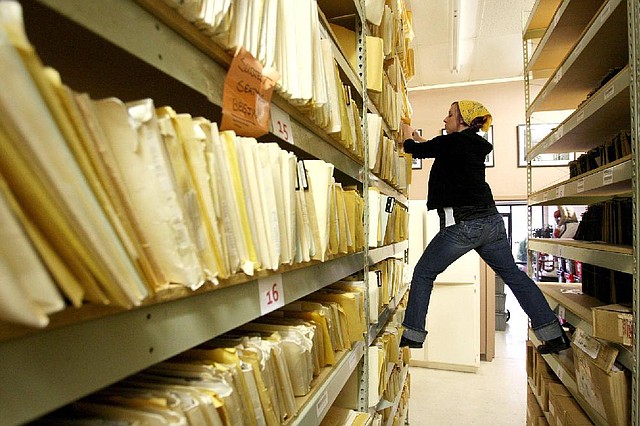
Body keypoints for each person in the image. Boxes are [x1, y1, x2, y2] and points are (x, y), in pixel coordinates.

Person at [399, 100, 570, 354]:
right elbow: (437, 147)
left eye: (450, 115)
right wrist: (419, 139)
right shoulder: (470, 145)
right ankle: (554, 335)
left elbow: (416, 150)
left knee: (423, 273)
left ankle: (412, 334)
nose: (445, 120)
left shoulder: (454, 142)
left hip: (464, 225)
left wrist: (406, 136)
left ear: (463, 121)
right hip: (492, 224)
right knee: (513, 275)